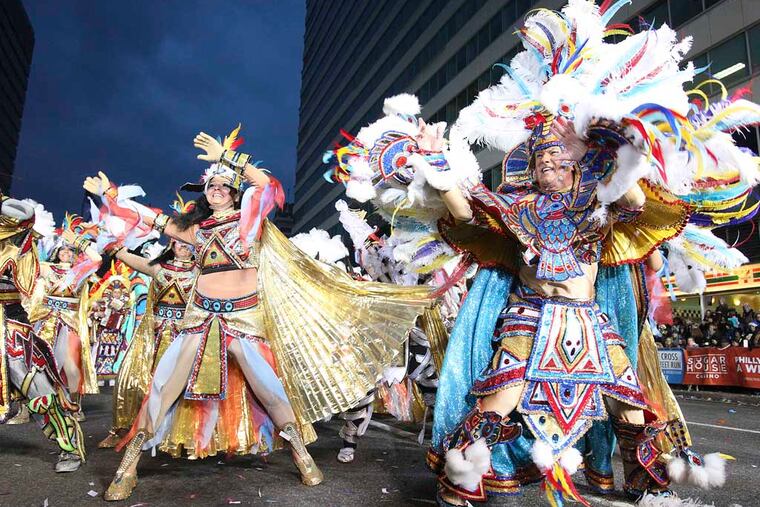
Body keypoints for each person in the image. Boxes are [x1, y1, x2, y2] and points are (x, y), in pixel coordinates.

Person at [84, 127, 432, 501]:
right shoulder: (195, 231)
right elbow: (150, 218)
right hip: (198, 319)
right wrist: (110, 196)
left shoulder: (249, 220)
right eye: (211, 185)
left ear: (236, 192)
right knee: (163, 387)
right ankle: (128, 467)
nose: (216, 189)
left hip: (244, 319)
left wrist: (226, 157)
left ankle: (301, 456)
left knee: (270, 390)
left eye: (224, 185)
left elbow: (267, 186)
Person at [0, 195, 86, 472]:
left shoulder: (12, 246)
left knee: (35, 387)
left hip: (10, 327)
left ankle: (68, 447)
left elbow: (24, 215)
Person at [97, 239, 197, 449]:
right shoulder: (159, 268)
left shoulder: (200, 272)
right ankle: (123, 430)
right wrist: (113, 244)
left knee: (182, 387)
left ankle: (179, 437)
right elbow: (126, 256)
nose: (183, 246)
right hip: (153, 336)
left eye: (187, 243)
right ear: (171, 245)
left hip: (184, 338)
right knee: (132, 381)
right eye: (179, 242)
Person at [27, 215, 101, 421]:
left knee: (71, 365)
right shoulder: (46, 268)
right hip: (45, 321)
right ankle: (35, 405)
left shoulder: (80, 272)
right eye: (63, 249)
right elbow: (26, 262)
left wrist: (78, 240)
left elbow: (97, 259)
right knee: (37, 364)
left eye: (70, 250)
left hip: (70, 323)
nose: (66, 253)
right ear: (56, 251)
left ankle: (74, 405)